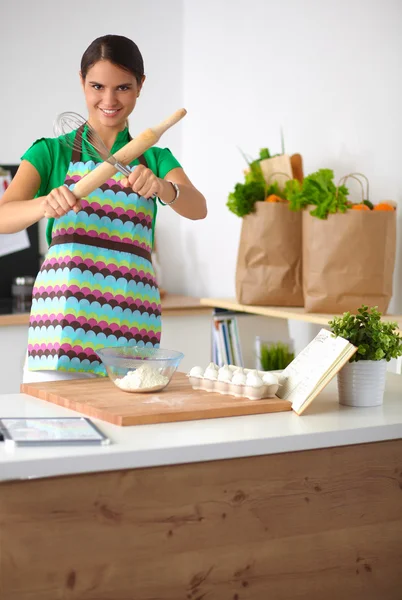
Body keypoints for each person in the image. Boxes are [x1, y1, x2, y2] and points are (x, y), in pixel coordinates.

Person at [0, 34, 207, 382]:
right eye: (97, 86)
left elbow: (197, 207)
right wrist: (43, 204)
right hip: (61, 332)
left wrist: (162, 187)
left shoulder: (154, 158)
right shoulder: (51, 152)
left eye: (123, 88)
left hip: (132, 329)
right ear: (81, 82)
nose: (109, 100)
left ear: (140, 86)